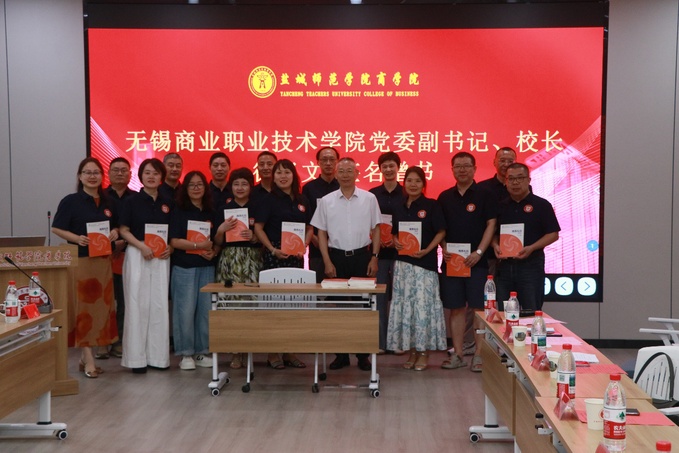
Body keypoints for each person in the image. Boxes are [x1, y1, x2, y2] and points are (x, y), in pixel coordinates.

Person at [311, 157, 382, 371]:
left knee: (363, 306)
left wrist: (374, 257)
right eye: (341, 171)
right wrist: (327, 261)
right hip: (336, 258)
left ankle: (362, 355)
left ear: (357, 173)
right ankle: (341, 355)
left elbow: (377, 229)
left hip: (362, 257)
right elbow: (321, 233)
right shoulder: (326, 201)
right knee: (338, 307)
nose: (345, 174)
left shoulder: (369, 198)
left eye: (349, 170)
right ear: (336, 173)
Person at [52, 157, 119, 379]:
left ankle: (85, 357)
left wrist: (115, 232)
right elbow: (57, 228)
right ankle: (89, 358)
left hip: (103, 262)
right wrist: (76, 238)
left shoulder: (109, 202)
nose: (92, 176)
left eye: (96, 172)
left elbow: (118, 226)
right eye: (87, 172)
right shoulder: (71, 201)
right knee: (84, 311)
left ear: (102, 176)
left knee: (101, 311)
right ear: (80, 177)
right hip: (81, 262)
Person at [438, 152, 497, 372]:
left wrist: (479, 252)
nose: (462, 170)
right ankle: (458, 354)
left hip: (477, 262)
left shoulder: (485, 194)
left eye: (466, 166)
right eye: (458, 166)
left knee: (479, 308)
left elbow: (491, 224)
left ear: (474, 168)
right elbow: (440, 229)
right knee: (456, 309)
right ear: (452, 169)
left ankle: (479, 355)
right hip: (453, 263)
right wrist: (443, 247)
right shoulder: (445, 197)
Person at [386, 166, 447, 371]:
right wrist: (395, 240)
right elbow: (395, 232)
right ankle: (412, 350)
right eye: (409, 180)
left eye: (417, 181)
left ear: (424, 184)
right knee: (407, 308)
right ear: (404, 183)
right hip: (403, 265)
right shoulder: (399, 206)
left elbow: (441, 231)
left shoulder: (432, 205)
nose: (413, 184)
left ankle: (423, 353)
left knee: (422, 309)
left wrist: (428, 250)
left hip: (424, 265)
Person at [254, 159, 313, 369]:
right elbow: (258, 228)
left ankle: (290, 351)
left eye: (287, 172)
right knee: (274, 304)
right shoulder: (268, 200)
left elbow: (309, 228)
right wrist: (272, 249)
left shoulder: (302, 199)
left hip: (296, 257)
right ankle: (273, 352)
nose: (282, 176)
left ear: (293, 175)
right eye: (278, 173)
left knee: (293, 304)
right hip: (275, 256)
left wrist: (304, 244)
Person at [119, 158, 173, 373]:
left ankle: (158, 358)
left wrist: (171, 247)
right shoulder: (131, 201)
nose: (151, 176)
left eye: (155, 173)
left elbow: (174, 233)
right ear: (140, 176)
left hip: (161, 257)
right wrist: (141, 246)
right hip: (137, 254)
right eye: (147, 172)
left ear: (162, 177)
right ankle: (136, 360)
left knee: (159, 305)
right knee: (137, 305)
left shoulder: (168, 202)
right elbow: (123, 230)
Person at [493, 163, 560, 311]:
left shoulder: (542, 205)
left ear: (529, 180)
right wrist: (495, 245)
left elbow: (553, 234)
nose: (515, 182)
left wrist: (532, 248)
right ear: (506, 181)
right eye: (511, 179)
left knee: (531, 311)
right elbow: (493, 233)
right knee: (506, 313)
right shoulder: (500, 206)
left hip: (531, 266)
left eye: (520, 178)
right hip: (505, 267)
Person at [214, 167, 262, 369]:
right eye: (236, 184)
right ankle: (235, 352)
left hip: (252, 259)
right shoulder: (223, 208)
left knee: (252, 304)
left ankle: (250, 348)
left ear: (251, 186)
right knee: (230, 304)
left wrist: (254, 237)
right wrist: (221, 230)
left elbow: (264, 237)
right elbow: (217, 241)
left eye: (244, 184)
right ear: (231, 186)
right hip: (229, 260)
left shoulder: (258, 207)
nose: (240, 188)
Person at [168, 171, 216, 371]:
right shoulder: (178, 210)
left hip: (207, 267)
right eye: (192, 185)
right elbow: (174, 241)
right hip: (184, 267)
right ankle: (186, 353)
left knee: (205, 311)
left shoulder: (211, 210)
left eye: (200, 184)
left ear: (205, 188)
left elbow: (216, 239)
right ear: (185, 188)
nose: (196, 188)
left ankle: (201, 351)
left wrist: (213, 251)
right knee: (185, 311)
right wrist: (198, 246)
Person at [369, 151, 405, 354]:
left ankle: (398, 342)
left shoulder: (406, 193)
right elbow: (368, 222)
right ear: (380, 169)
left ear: (398, 168)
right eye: (385, 166)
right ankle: (380, 342)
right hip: (379, 253)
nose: (389, 169)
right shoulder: (372, 194)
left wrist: (397, 240)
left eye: (392, 166)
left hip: (401, 252)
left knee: (400, 297)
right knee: (379, 297)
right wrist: (376, 239)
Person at [102, 157, 134, 359]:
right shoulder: (100, 197)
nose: (120, 173)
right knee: (104, 301)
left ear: (130, 174)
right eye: (116, 170)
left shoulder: (136, 198)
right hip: (103, 256)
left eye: (124, 170)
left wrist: (123, 241)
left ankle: (119, 342)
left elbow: (139, 226)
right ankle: (102, 342)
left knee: (123, 302)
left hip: (129, 255)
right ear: (109, 173)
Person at [302, 146, 340, 283]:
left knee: (340, 289)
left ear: (337, 162)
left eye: (332, 159)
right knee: (318, 288)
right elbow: (305, 219)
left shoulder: (342, 187)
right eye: (324, 160)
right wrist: (314, 239)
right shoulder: (309, 188)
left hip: (340, 248)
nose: (328, 163)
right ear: (318, 162)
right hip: (316, 248)